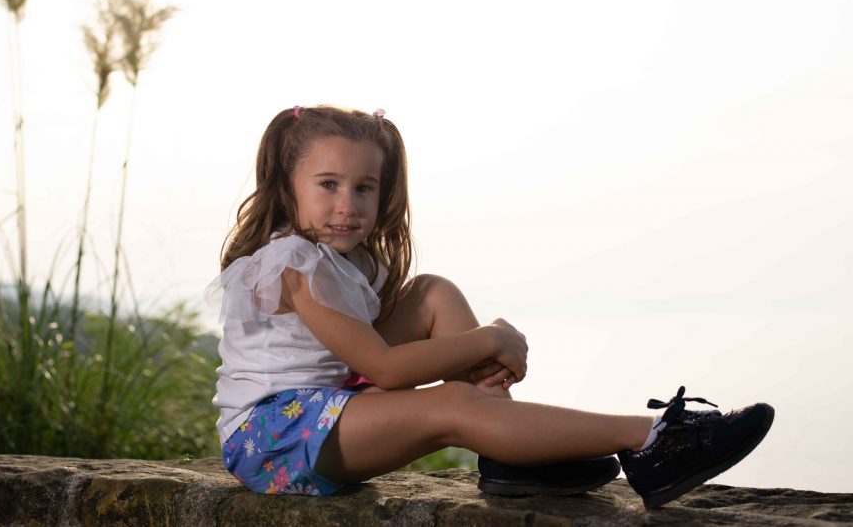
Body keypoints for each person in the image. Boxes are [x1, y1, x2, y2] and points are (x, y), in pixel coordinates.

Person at [207, 105, 773, 509]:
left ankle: (510, 454)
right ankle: (650, 438)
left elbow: (375, 357)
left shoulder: (347, 263)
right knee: (454, 403)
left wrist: (479, 343)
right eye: (327, 184)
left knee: (433, 291)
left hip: (325, 409)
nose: (347, 205)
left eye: (364, 188)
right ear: (288, 187)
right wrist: (490, 339)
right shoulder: (291, 265)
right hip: (272, 437)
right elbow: (382, 369)